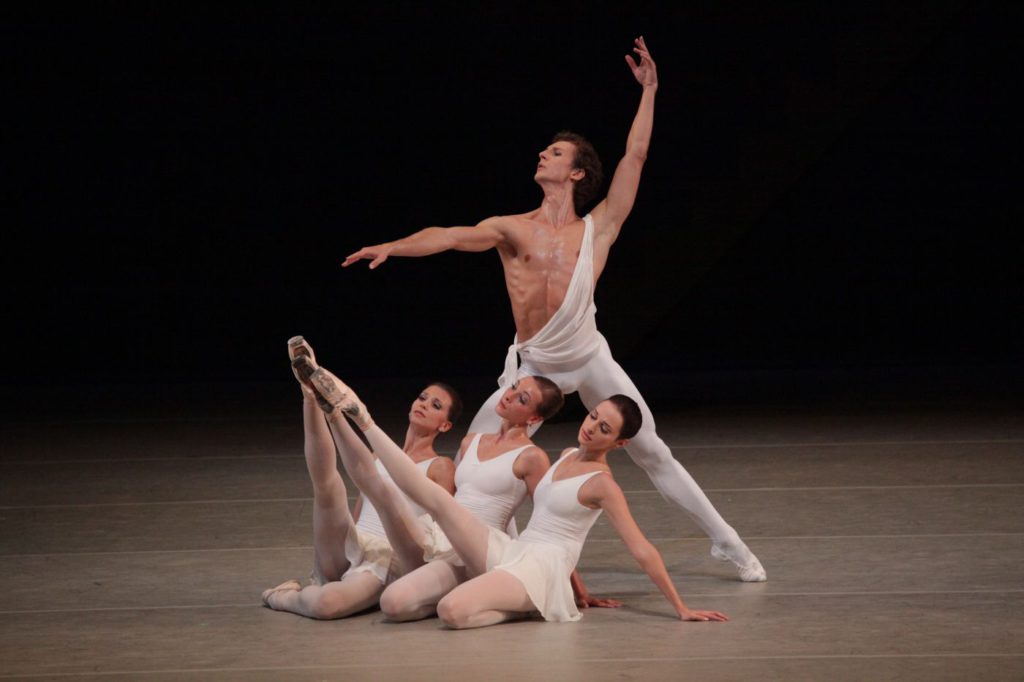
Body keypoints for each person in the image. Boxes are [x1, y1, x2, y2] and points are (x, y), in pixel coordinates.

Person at [343, 36, 765, 581]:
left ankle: (728, 542)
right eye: (545, 149)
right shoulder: (511, 228)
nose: (543, 153)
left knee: (651, 449)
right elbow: (448, 235)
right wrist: (394, 247)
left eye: (556, 152)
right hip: (534, 366)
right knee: (473, 457)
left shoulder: (601, 226)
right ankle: (436, 544)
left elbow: (635, 156)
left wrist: (650, 91)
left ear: (577, 174)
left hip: (588, 356)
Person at [304, 365, 728, 627]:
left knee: (447, 579)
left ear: (618, 443)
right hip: (496, 548)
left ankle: (359, 419)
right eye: (594, 416)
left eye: (603, 428)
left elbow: (638, 548)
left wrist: (681, 607)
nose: (591, 427)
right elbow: (536, 517)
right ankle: (336, 413)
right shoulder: (554, 455)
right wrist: (579, 590)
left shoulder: (567, 469)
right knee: (396, 599)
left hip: (515, 555)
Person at [260, 336, 458, 619]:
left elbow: (443, 521)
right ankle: (311, 394)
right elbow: (355, 510)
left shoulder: (440, 466)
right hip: (353, 543)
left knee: (326, 605)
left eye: (436, 406)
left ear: (446, 425)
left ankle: (280, 597)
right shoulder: (375, 459)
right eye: (423, 397)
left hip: (387, 556)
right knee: (328, 488)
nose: (424, 404)